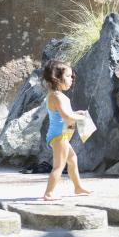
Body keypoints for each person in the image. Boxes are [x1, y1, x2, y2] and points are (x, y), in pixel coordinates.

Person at [43, 59, 92, 201]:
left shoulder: (57, 96)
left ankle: (78, 187)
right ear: (57, 78)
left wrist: (78, 113)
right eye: (69, 76)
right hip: (59, 136)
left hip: (62, 135)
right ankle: (49, 193)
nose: (72, 79)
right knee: (59, 165)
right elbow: (66, 116)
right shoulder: (56, 97)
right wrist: (79, 117)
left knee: (73, 159)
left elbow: (65, 113)